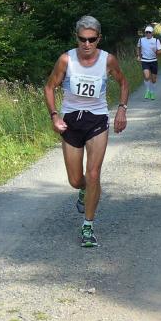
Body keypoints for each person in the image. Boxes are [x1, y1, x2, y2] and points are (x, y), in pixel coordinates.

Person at [44, 15, 129, 247]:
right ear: (77, 38)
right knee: (75, 180)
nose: (87, 44)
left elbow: (123, 83)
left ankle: (88, 226)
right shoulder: (66, 60)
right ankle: (83, 190)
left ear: (99, 38)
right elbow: (49, 87)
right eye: (83, 39)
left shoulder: (108, 60)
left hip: (97, 120)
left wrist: (121, 109)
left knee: (93, 174)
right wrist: (54, 115)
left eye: (92, 39)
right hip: (71, 121)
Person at [136, 26, 161, 99]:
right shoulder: (141, 40)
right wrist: (138, 55)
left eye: (149, 32)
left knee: (153, 79)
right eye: (146, 32)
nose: (148, 34)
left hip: (153, 61)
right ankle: (147, 91)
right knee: (147, 76)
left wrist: (156, 52)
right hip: (145, 60)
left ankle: (152, 92)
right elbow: (138, 47)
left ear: (152, 33)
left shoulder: (156, 40)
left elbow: (160, 51)